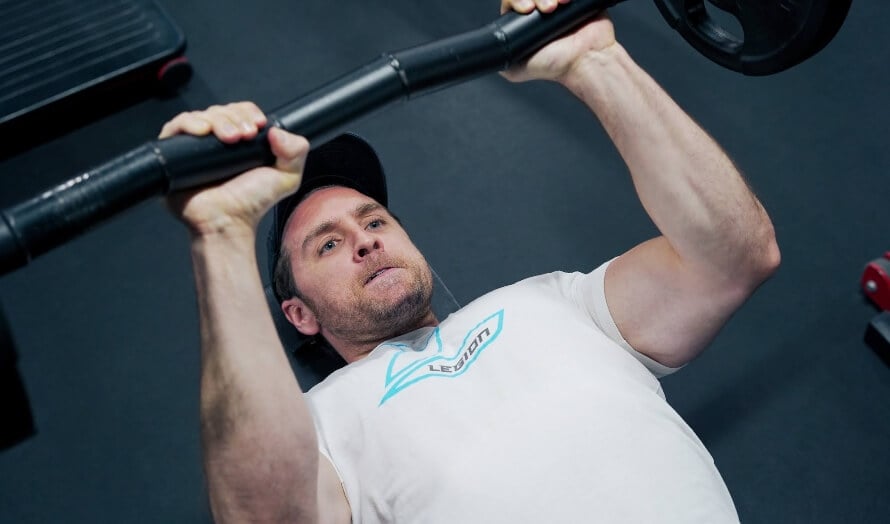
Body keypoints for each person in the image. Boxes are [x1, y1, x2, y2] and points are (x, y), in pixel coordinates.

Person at [160, 0, 780, 521]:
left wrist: (596, 60)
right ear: (298, 314)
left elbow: (733, 256)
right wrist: (219, 235)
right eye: (328, 243)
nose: (366, 240)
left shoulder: (554, 300)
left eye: (374, 220)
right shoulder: (318, 425)